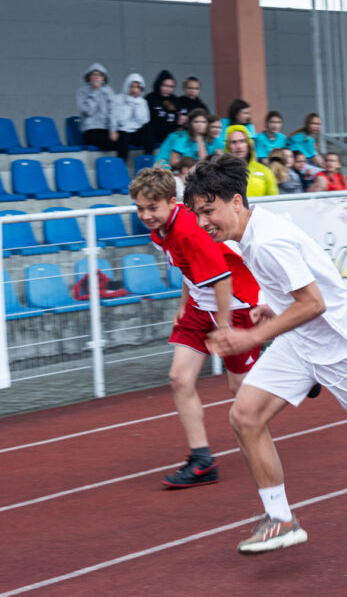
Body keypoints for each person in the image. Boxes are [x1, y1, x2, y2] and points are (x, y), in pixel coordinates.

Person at [184, 154, 347, 554]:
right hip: (299, 343)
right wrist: (268, 302)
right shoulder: (253, 231)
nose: (203, 222)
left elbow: (313, 303)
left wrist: (251, 337)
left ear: (236, 201)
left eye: (209, 210)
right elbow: (304, 280)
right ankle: (280, 519)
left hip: (342, 348)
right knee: (245, 415)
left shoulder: (268, 238)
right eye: (196, 214)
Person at [129, 167, 262, 488]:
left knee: (241, 388)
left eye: (152, 208)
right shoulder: (159, 231)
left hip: (233, 304)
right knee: (179, 379)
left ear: (172, 203)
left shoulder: (189, 230)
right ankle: (202, 460)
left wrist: (226, 327)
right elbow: (188, 270)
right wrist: (182, 305)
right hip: (199, 307)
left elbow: (222, 279)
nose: (145, 215)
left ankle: (297, 377)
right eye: (139, 208)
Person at [225, 125, 278, 197]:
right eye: (233, 142)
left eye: (242, 141)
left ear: (248, 144)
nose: (238, 146)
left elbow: (274, 201)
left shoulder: (265, 171)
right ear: (228, 146)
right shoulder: (221, 173)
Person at [110, 72, 154, 159]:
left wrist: (136, 107)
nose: (134, 90)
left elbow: (145, 120)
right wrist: (113, 130)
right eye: (132, 86)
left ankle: (148, 159)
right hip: (123, 130)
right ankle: (121, 165)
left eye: (137, 87)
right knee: (124, 137)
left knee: (149, 131)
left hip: (137, 131)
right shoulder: (118, 99)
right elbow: (114, 117)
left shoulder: (142, 102)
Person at [76, 62, 116, 151]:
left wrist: (113, 129)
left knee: (121, 141)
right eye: (93, 74)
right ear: (89, 76)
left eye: (99, 75)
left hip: (106, 128)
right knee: (107, 144)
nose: (96, 77)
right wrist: (95, 92)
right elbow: (88, 111)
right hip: (90, 129)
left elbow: (113, 111)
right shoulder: (82, 91)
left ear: (104, 77)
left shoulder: (109, 91)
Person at [146, 70, 180, 144]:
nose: (168, 89)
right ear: (159, 84)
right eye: (165, 85)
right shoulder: (150, 98)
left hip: (172, 136)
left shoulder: (176, 100)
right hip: (154, 136)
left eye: (171, 86)